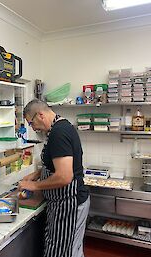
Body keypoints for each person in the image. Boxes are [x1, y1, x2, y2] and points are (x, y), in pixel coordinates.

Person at [18, 99, 90, 257]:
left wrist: (34, 186)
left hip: (69, 204)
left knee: (61, 253)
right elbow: (56, 164)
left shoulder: (58, 133)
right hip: (64, 203)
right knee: (72, 250)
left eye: (31, 123)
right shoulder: (59, 127)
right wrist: (36, 175)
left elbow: (64, 176)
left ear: (40, 115)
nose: (33, 127)